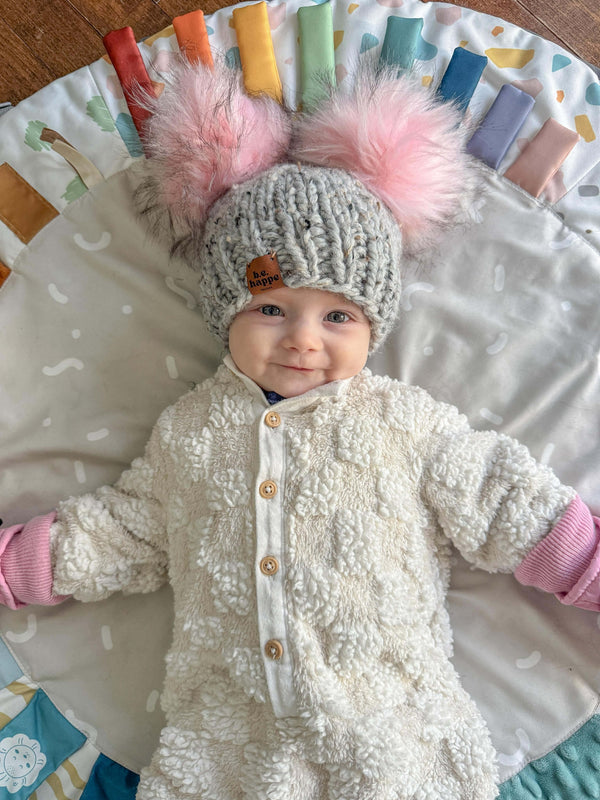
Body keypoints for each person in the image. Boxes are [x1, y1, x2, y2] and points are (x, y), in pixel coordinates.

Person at [0, 58, 598, 800]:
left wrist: (587, 563)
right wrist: (17, 567)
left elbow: (507, 501)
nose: (303, 340)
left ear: (373, 325)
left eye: (338, 316)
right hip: (224, 743)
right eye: (272, 309)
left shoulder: (402, 423)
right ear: (228, 312)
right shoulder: (190, 431)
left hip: (390, 729)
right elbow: (124, 531)